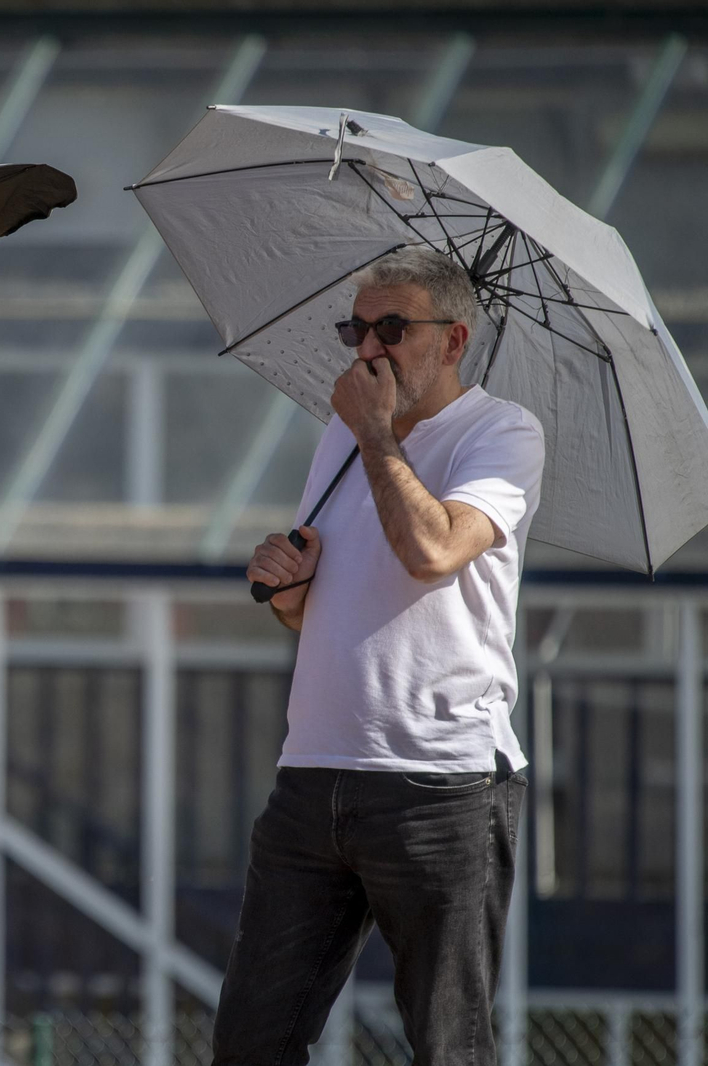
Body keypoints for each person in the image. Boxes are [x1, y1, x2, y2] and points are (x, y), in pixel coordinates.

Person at [217, 246, 546, 1064]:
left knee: (447, 1044)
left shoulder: (501, 432)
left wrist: (375, 435)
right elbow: (312, 612)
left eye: (392, 329)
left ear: (454, 340)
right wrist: (286, 583)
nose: (368, 348)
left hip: (441, 783)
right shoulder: (343, 434)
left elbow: (433, 552)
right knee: (251, 1041)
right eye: (356, 329)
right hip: (313, 772)